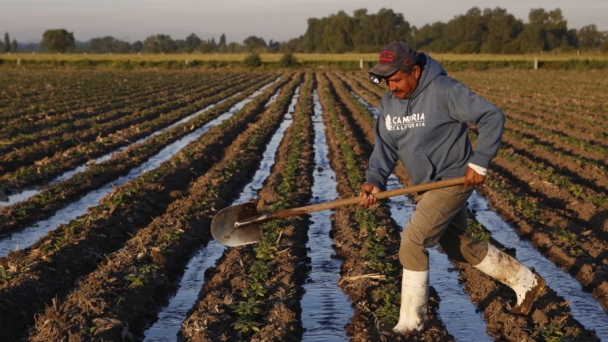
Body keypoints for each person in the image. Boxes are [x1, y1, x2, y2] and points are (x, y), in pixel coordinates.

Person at [359, 41, 545, 335]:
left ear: (415, 71)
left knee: (413, 241)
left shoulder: (444, 90)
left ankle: (411, 324)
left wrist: (479, 162)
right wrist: (374, 180)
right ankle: (526, 281)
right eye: (386, 81)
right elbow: (384, 147)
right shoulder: (389, 103)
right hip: (427, 185)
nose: (390, 86)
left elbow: (492, 116)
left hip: (452, 179)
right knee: (458, 246)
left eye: (396, 79)